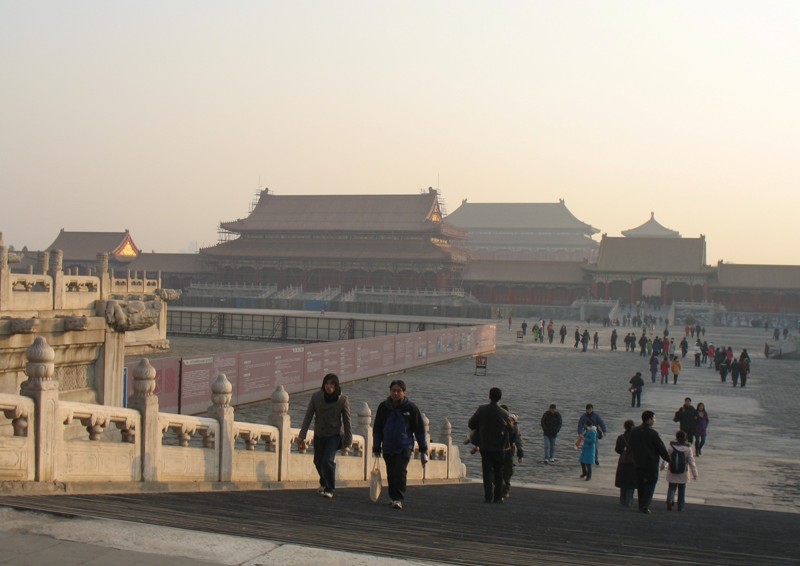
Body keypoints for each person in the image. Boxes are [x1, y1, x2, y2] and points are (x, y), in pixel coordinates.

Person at [372, 379, 428, 510]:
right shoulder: (383, 407)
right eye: (393, 391)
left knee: (400, 471)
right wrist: (376, 446)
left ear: (404, 392)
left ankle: (398, 498)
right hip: (388, 446)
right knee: (391, 472)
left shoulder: (411, 408)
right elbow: (377, 428)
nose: (395, 393)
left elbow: (419, 429)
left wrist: (423, 449)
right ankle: (392, 497)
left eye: (398, 391)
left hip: (404, 445)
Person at [298, 373, 353, 499]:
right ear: (323, 385)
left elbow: (347, 421)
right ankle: (324, 482)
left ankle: (330, 488)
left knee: (327, 460)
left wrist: (348, 441)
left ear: (336, 386)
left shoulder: (342, 400)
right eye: (327, 384)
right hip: (319, 433)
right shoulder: (316, 397)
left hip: (334, 435)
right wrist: (302, 435)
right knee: (317, 461)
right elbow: (308, 416)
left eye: (332, 384)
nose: (329, 387)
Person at [468, 387, 511, 503]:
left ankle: (488, 496)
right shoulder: (504, 413)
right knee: (499, 473)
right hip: (499, 448)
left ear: (489, 396)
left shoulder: (481, 410)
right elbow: (511, 430)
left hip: (485, 446)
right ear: (500, 398)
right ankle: (497, 497)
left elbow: (471, 424)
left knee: (486, 472)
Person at [628, 410, 670, 514]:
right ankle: (645, 505)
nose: (654, 420)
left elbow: (630, 446)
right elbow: (660, 448)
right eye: (654, 418)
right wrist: (668, 459)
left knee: (640, 484)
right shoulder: (653, 433)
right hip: (651, 463)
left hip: (638, 462)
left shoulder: (635, 431)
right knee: (650, 484)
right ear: (649, 419)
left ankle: (641, 505)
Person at [661, 430, 699, 511]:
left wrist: (663, 466)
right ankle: (681, 506)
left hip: (672, 471)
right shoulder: (688, 448)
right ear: (685, 438)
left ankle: (670, 500)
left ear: (677, 437)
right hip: (683, 472)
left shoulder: (671, 446)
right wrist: (695, 473)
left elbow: (667, 458)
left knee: (671, 487)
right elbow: (691, 461)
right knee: (682, 489)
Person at [500, 405, 524, 499]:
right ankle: (504, 489)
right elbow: (519, 439)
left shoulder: (513, 424)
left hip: (506, 450)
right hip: (505, 451)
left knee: (505, 472)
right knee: (505, 472)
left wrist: (520, 453)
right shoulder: (513, 423)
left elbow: (518, 439)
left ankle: (504, 489)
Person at [614, 419, 637, 507]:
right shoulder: (637, 438)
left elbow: (617, 450)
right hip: (633, 463)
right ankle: (629, 501)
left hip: (623, 462)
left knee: (623, 482)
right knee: (631, 483)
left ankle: (622, 501)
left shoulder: (621, 437)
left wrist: (624, 453)